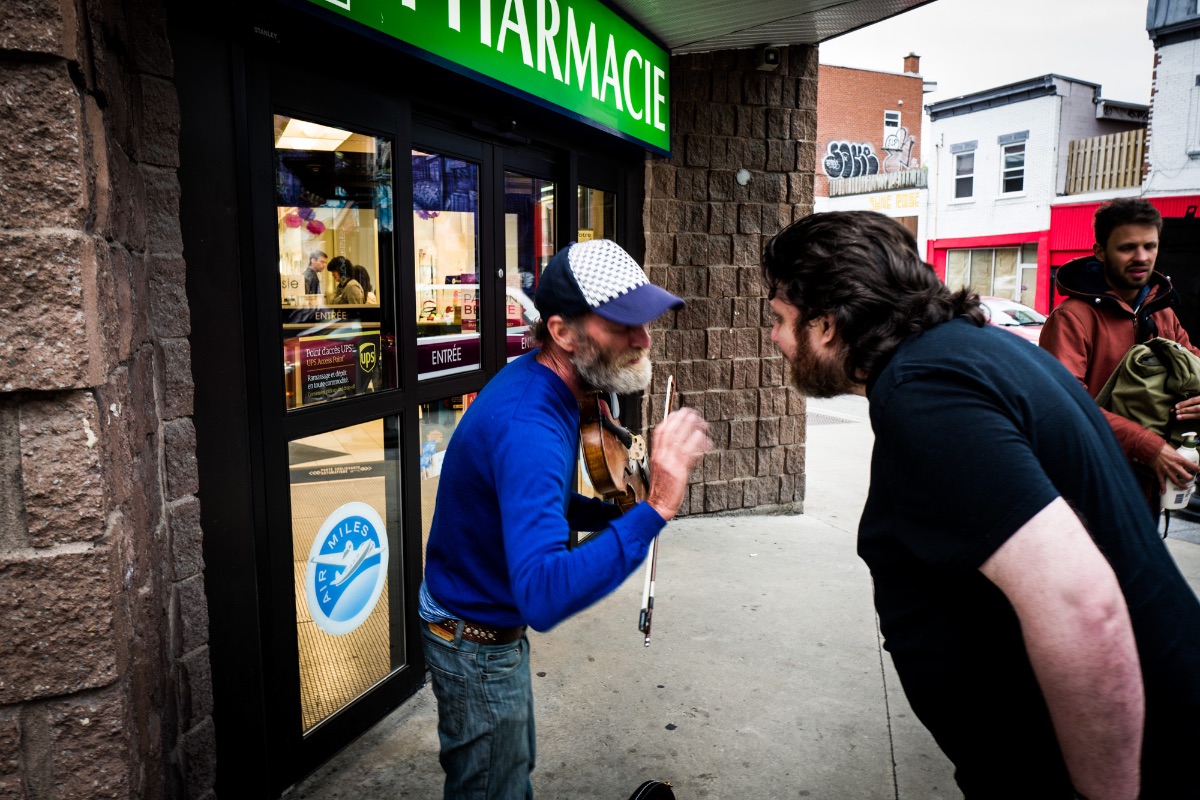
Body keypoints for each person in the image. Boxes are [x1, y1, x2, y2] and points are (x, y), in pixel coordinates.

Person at [761, 210, 1200, 799]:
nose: (774, 339)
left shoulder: (926, 393)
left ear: (829, 324)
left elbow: (1081, 604)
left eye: (780, 320)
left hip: (1102, 765)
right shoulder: (966, 353)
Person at [420, 238, 710, 799]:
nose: (643, 340)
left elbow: (536, 500)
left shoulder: (547, 383)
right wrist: (655, 508)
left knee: (507, 774)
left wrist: (608, 512)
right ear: (562, 332)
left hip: (475, 623)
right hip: (475, 640)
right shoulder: (530, 425)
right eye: (622, 324)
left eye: (645, 321)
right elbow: (545, 595)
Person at [1040, 198, 1200, 511]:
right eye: (1127, 248)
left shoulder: (1163, 314)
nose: (1141, 257)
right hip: (1092, 490)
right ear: (1100, 252)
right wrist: (1148, 446)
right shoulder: (1072, 318)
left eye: (1149, 246)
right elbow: (1063, 407)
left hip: (1152, 486)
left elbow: (1194, 371)